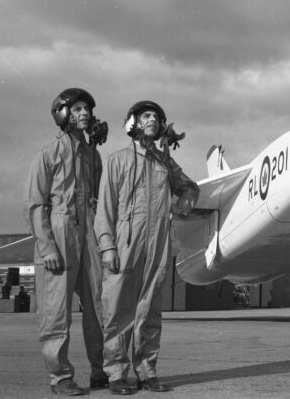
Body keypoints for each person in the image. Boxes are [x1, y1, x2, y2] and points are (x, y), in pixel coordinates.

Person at [95, 101, 199, 395]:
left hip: (159, 243)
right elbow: (105, 208)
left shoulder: (165, 162)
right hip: (127, 242)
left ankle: (147, 371)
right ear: (134, 124)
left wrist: (182, 206)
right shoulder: (117, 160)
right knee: (118, 309)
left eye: (156, 116)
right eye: (146, 116)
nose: (152, 119)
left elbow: (190, 188)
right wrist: (107, 247)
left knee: (150, 310)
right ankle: (116, 374)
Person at [24, 87, 109, 396]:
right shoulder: (47, 155)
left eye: (87, 108)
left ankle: (103, 370)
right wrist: (47, 247)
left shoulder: (94, 156)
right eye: (77, 109)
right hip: (59, 235)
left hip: (90, 234)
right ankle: (61, 378)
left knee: (101, 306)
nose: (84, 113)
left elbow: (99, 199)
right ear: (62, 114)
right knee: (56, 311)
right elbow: (35, 205)